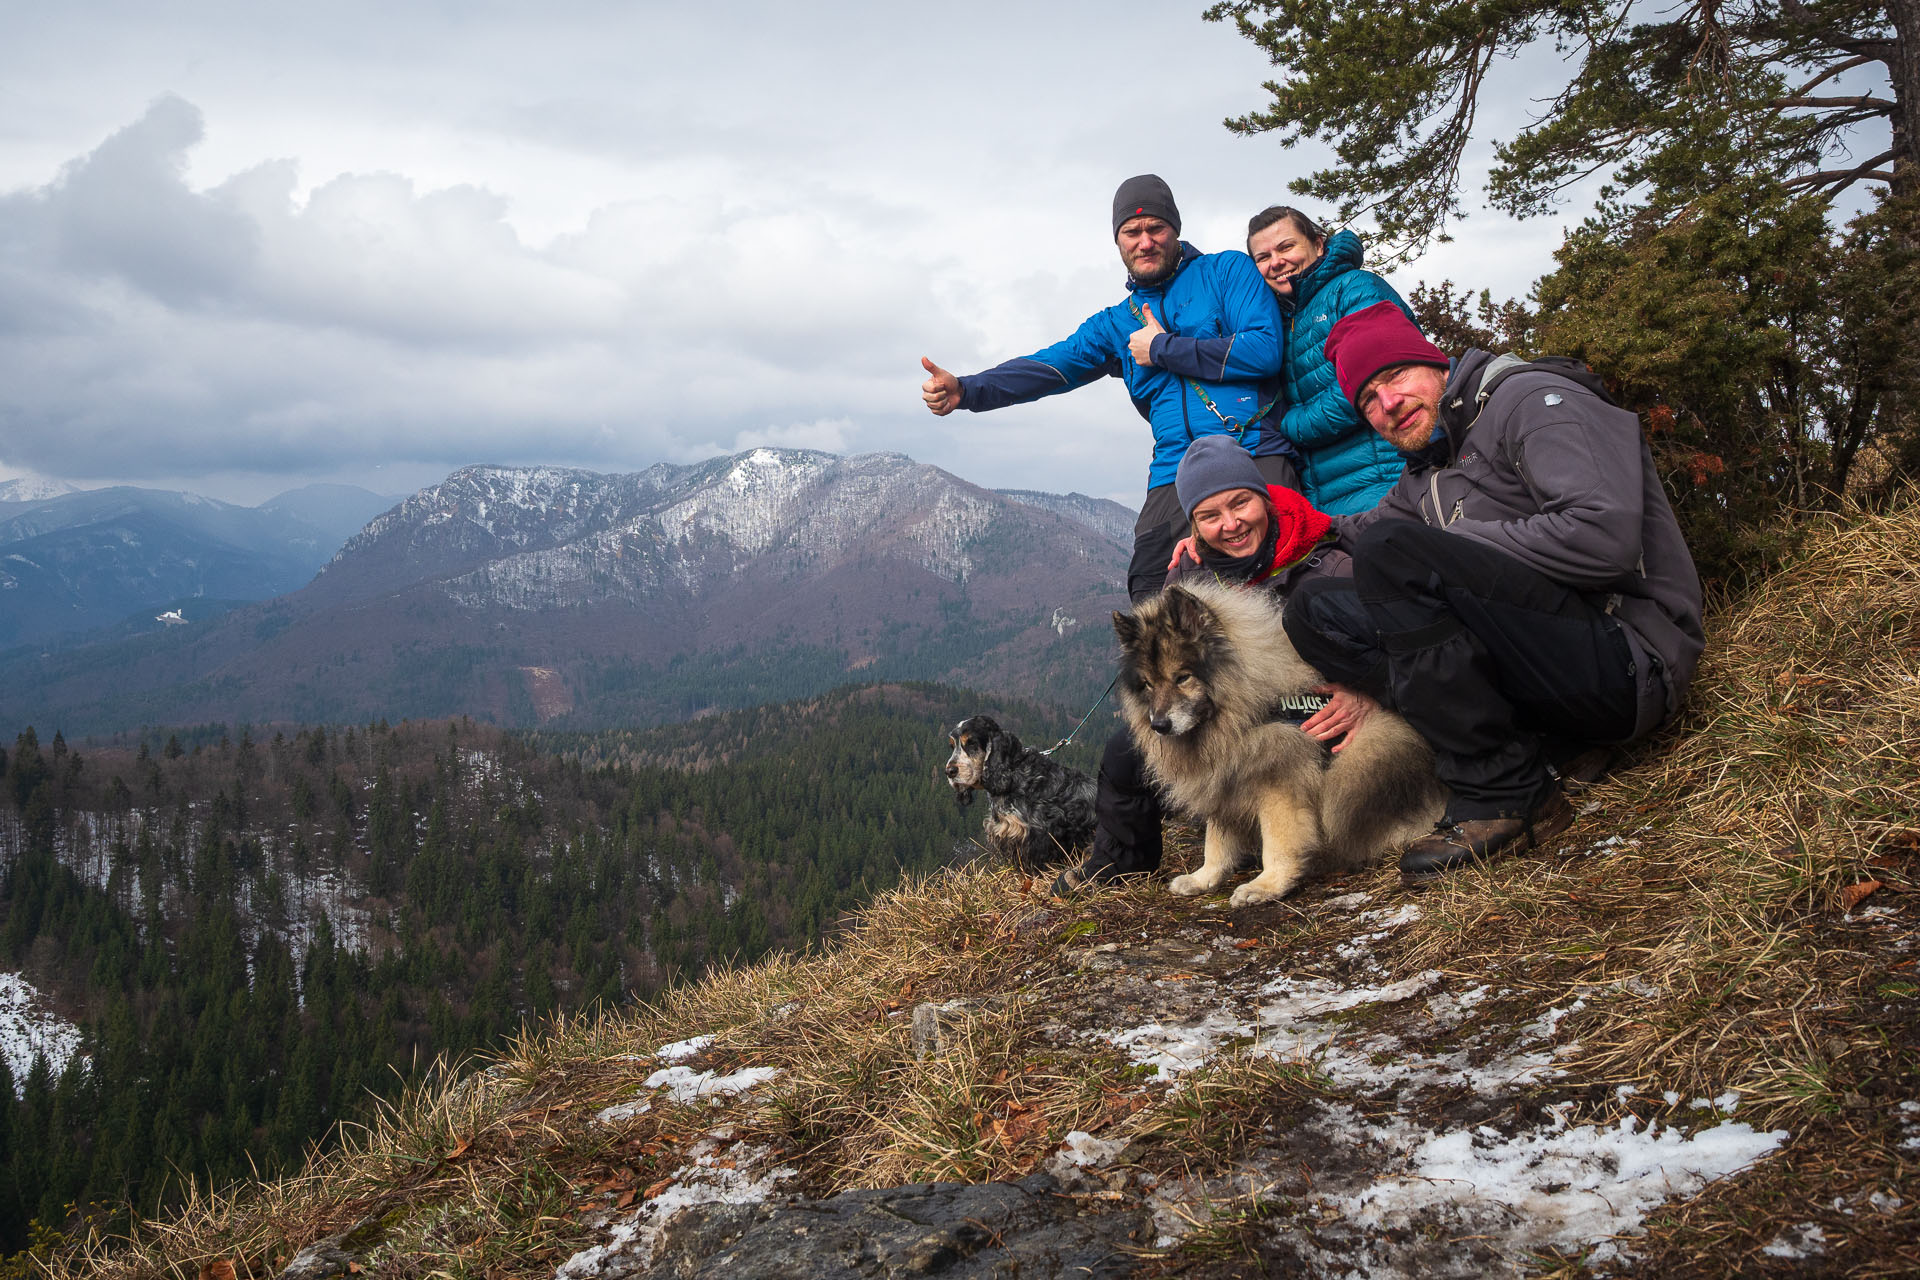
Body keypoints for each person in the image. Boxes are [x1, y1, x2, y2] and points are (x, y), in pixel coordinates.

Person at [1282, 301, 1705, 884]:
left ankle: (1506, 792)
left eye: (1395, 378)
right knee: (1314, 610)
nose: (1388, 404)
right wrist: (1270, 523)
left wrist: (1454, 543)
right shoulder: (1431, 465)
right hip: (1554, 671)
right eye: (1368, 401)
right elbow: (1362, 530)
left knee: (1395, 554)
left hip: (1628, 660)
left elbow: (1602, 535)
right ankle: (1532, 746)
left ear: (1433, 364)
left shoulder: (1532, 401)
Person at [920, 175, 1300, 603]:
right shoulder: (1117, 321)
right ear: (1118, 242)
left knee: (1277, 593)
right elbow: (1051, 366)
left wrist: (1162, 348)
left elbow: (1264, 349)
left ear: (1175, 230)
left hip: (1253, 450)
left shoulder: (1226, 272)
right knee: (1151, 601)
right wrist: (968, 390)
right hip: (1174, 471)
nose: (1145, 241)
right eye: (1131, 232)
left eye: (1156, 228)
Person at [1053, 435, 1366, 893]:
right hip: (1234, 702)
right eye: (1210, 515)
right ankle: (1119, 863)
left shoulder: (1326, 558)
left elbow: (1390, 646)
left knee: (1266, 756)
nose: (1231, 524)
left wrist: (1368, 692)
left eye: (1240, 503)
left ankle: (1291, 856)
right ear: (1194, 525)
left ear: (1264, 498)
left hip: (1325, 705)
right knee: (1126, 751)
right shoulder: (1190, 574)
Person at [1246, 206, 1416, 514]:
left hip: (1384, 482)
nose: (1276, 262)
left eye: (1286, 247)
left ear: (1319, 244)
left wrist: (1286, 426)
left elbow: (1375, 382)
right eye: (1263, 257)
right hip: (1323, 501)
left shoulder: (1353, 289)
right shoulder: (1277, 323)